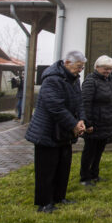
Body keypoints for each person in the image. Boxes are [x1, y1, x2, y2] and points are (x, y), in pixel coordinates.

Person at [24, 51, 87, 213]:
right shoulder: (51, 80)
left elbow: (79, 101)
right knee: (46, 169)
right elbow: (55, 107)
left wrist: (81, 120)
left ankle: (60, 197)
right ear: (67, 63)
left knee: (63, 166)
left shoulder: (74, 79)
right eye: (78, 67)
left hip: (64, 131)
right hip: (48, 131)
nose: (80, 70)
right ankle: (44, 203)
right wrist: (74, 124)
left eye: (82, 67)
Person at [80, 55, 112, 185]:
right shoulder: (90, 82)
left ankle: (94, 174)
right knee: (89, 151)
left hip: (106, 122)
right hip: (94, 123)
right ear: (97, 67)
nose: (108, 71)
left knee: (99, 151)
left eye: (110, 69)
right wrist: (88, 123)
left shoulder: (108, 80)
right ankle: (85, 177)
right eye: (105, 69)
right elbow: (86, 103)